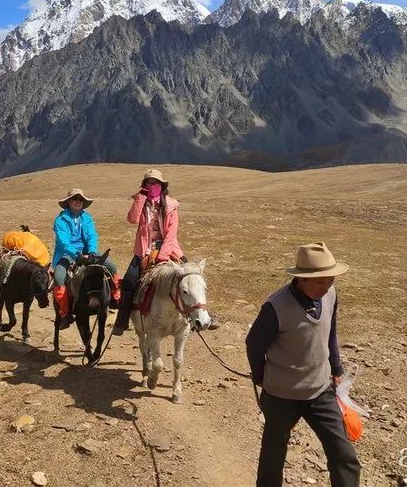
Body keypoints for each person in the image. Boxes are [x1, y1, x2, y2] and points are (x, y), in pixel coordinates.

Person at [245, 242, 361, 487]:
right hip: (281, 396)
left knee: (344, 455)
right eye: (320, 281)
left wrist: (337, 368)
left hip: (320, 391)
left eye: (330, 280)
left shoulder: (330, 294)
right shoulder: (276, 307)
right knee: (273, 457)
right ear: (302, 279)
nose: (327, 286)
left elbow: (330, 333)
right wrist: (261, 378)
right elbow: (254, 343)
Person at [112, 169, 220, 335]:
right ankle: (122, 321)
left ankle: (205, 315)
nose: (152, 186)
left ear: (162, 186)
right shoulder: (141, 203)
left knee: (193, 277)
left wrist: (163, 254)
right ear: (144, 186)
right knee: (129, 282)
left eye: (155, 183)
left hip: (169, 249)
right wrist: (140, 199)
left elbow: (171, 233)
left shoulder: (171, 205)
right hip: (144, 250)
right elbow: (132, 219)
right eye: (148, 183)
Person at [50, 188, 120, 330]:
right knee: (59, 276)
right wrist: (78, 255)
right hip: (67, 254)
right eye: (75, 199)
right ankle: (65, 313)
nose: (78, 202)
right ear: (69, 202)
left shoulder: (87, 218)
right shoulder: (60, 220)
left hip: (89, 252)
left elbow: (92, 236)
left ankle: (115, 299)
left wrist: (92, 252)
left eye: (80, 200)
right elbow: (63, 242)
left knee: (112, 266)